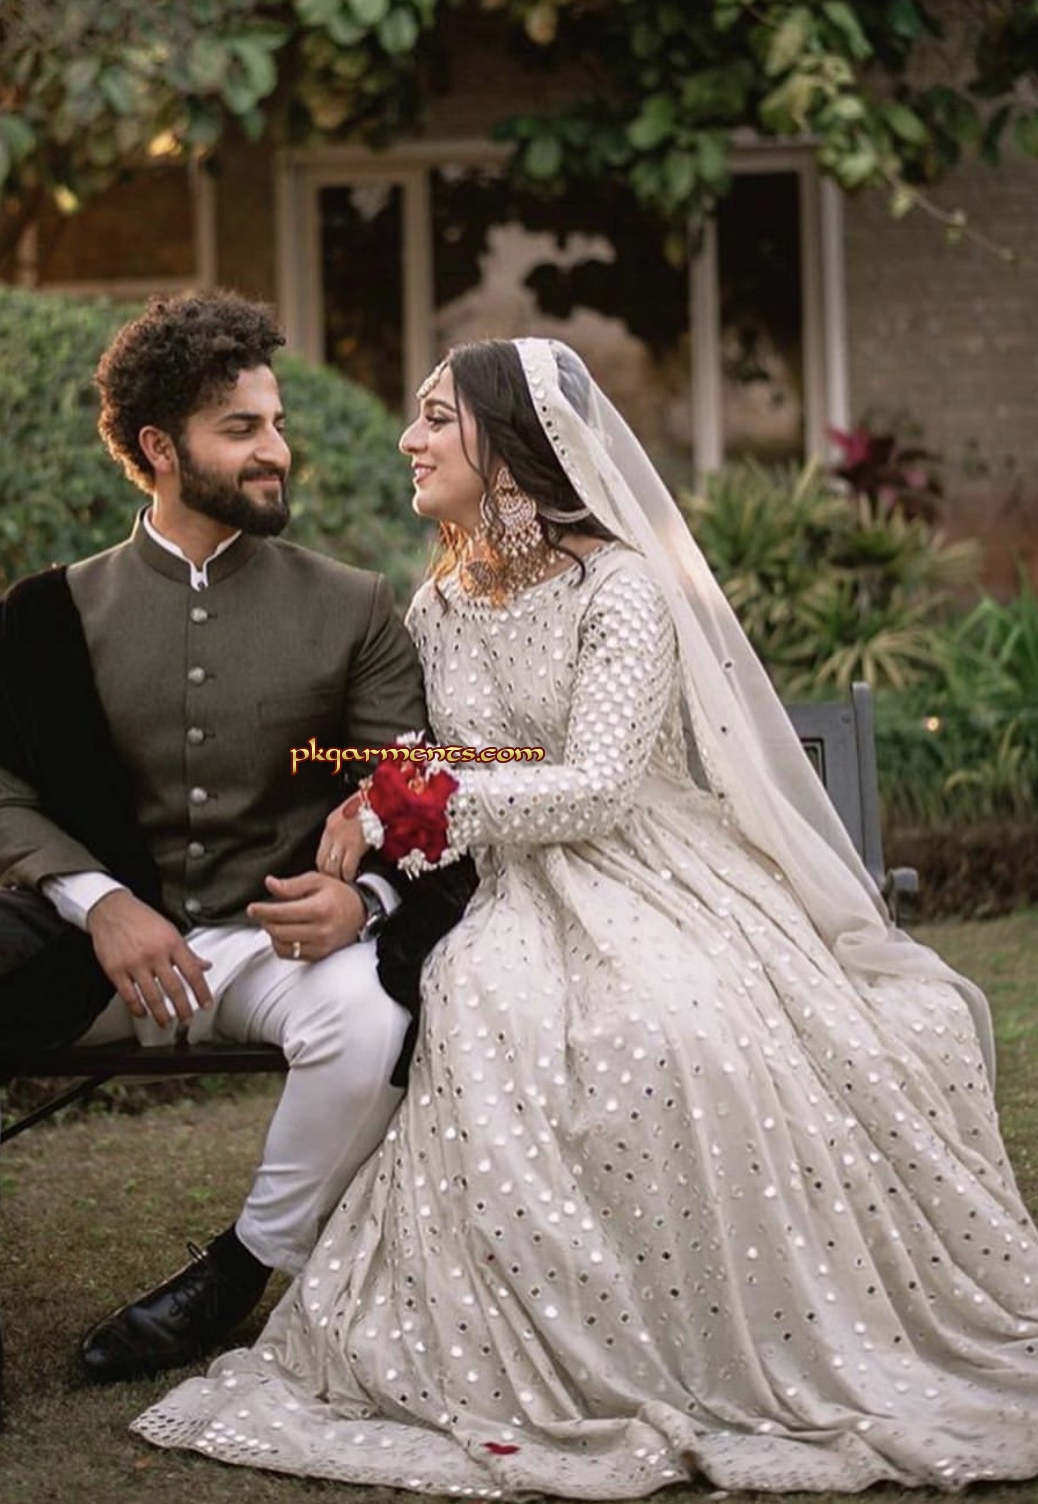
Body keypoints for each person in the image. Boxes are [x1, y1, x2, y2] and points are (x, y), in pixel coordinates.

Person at [131, 337, 1038, 1497]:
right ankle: (544, 1331)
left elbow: (600, 787)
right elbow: (448, 764)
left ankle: (696, 1331)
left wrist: (429, 801)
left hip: (654, 871)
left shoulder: (622, 588)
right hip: (518, 890)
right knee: (487, 999)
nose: (409, 438)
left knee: (676, 1025)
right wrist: (379, 796)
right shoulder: (440, 603)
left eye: (436, 418)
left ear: (513, 448)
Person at [0, 292, 431, 1449]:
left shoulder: (353, 606)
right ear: (160, 448)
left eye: (275, 423)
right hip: (96, 957)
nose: (275, 450)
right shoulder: (47, 614)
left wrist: (360, 893)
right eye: (241, 428)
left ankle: (235, 1273)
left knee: (371, 1017)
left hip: (267, 947)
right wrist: (104, 903)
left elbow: (404, 795)